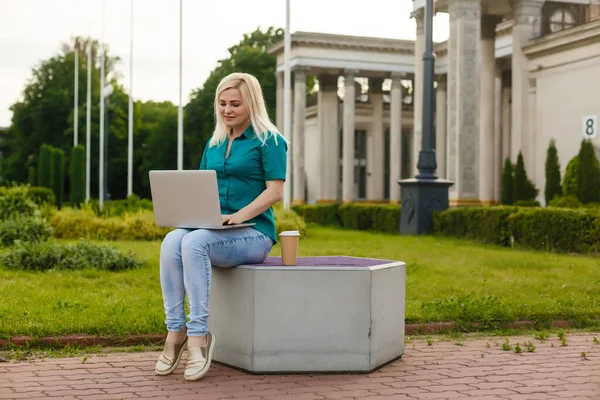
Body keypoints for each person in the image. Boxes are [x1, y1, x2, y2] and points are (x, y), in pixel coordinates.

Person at [155, 72, 288, 381]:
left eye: (235, 104)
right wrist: (191, 212)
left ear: (251, 104)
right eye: (222, 103)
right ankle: (175, 332)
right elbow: (200, 186)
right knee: (173, 240)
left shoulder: (270, 140)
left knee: (194, 243)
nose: (227, 110)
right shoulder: (214, 143)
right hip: (215, 228)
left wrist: (239, 215)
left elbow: (275, 191)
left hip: (253, 233)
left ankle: (199, 338)